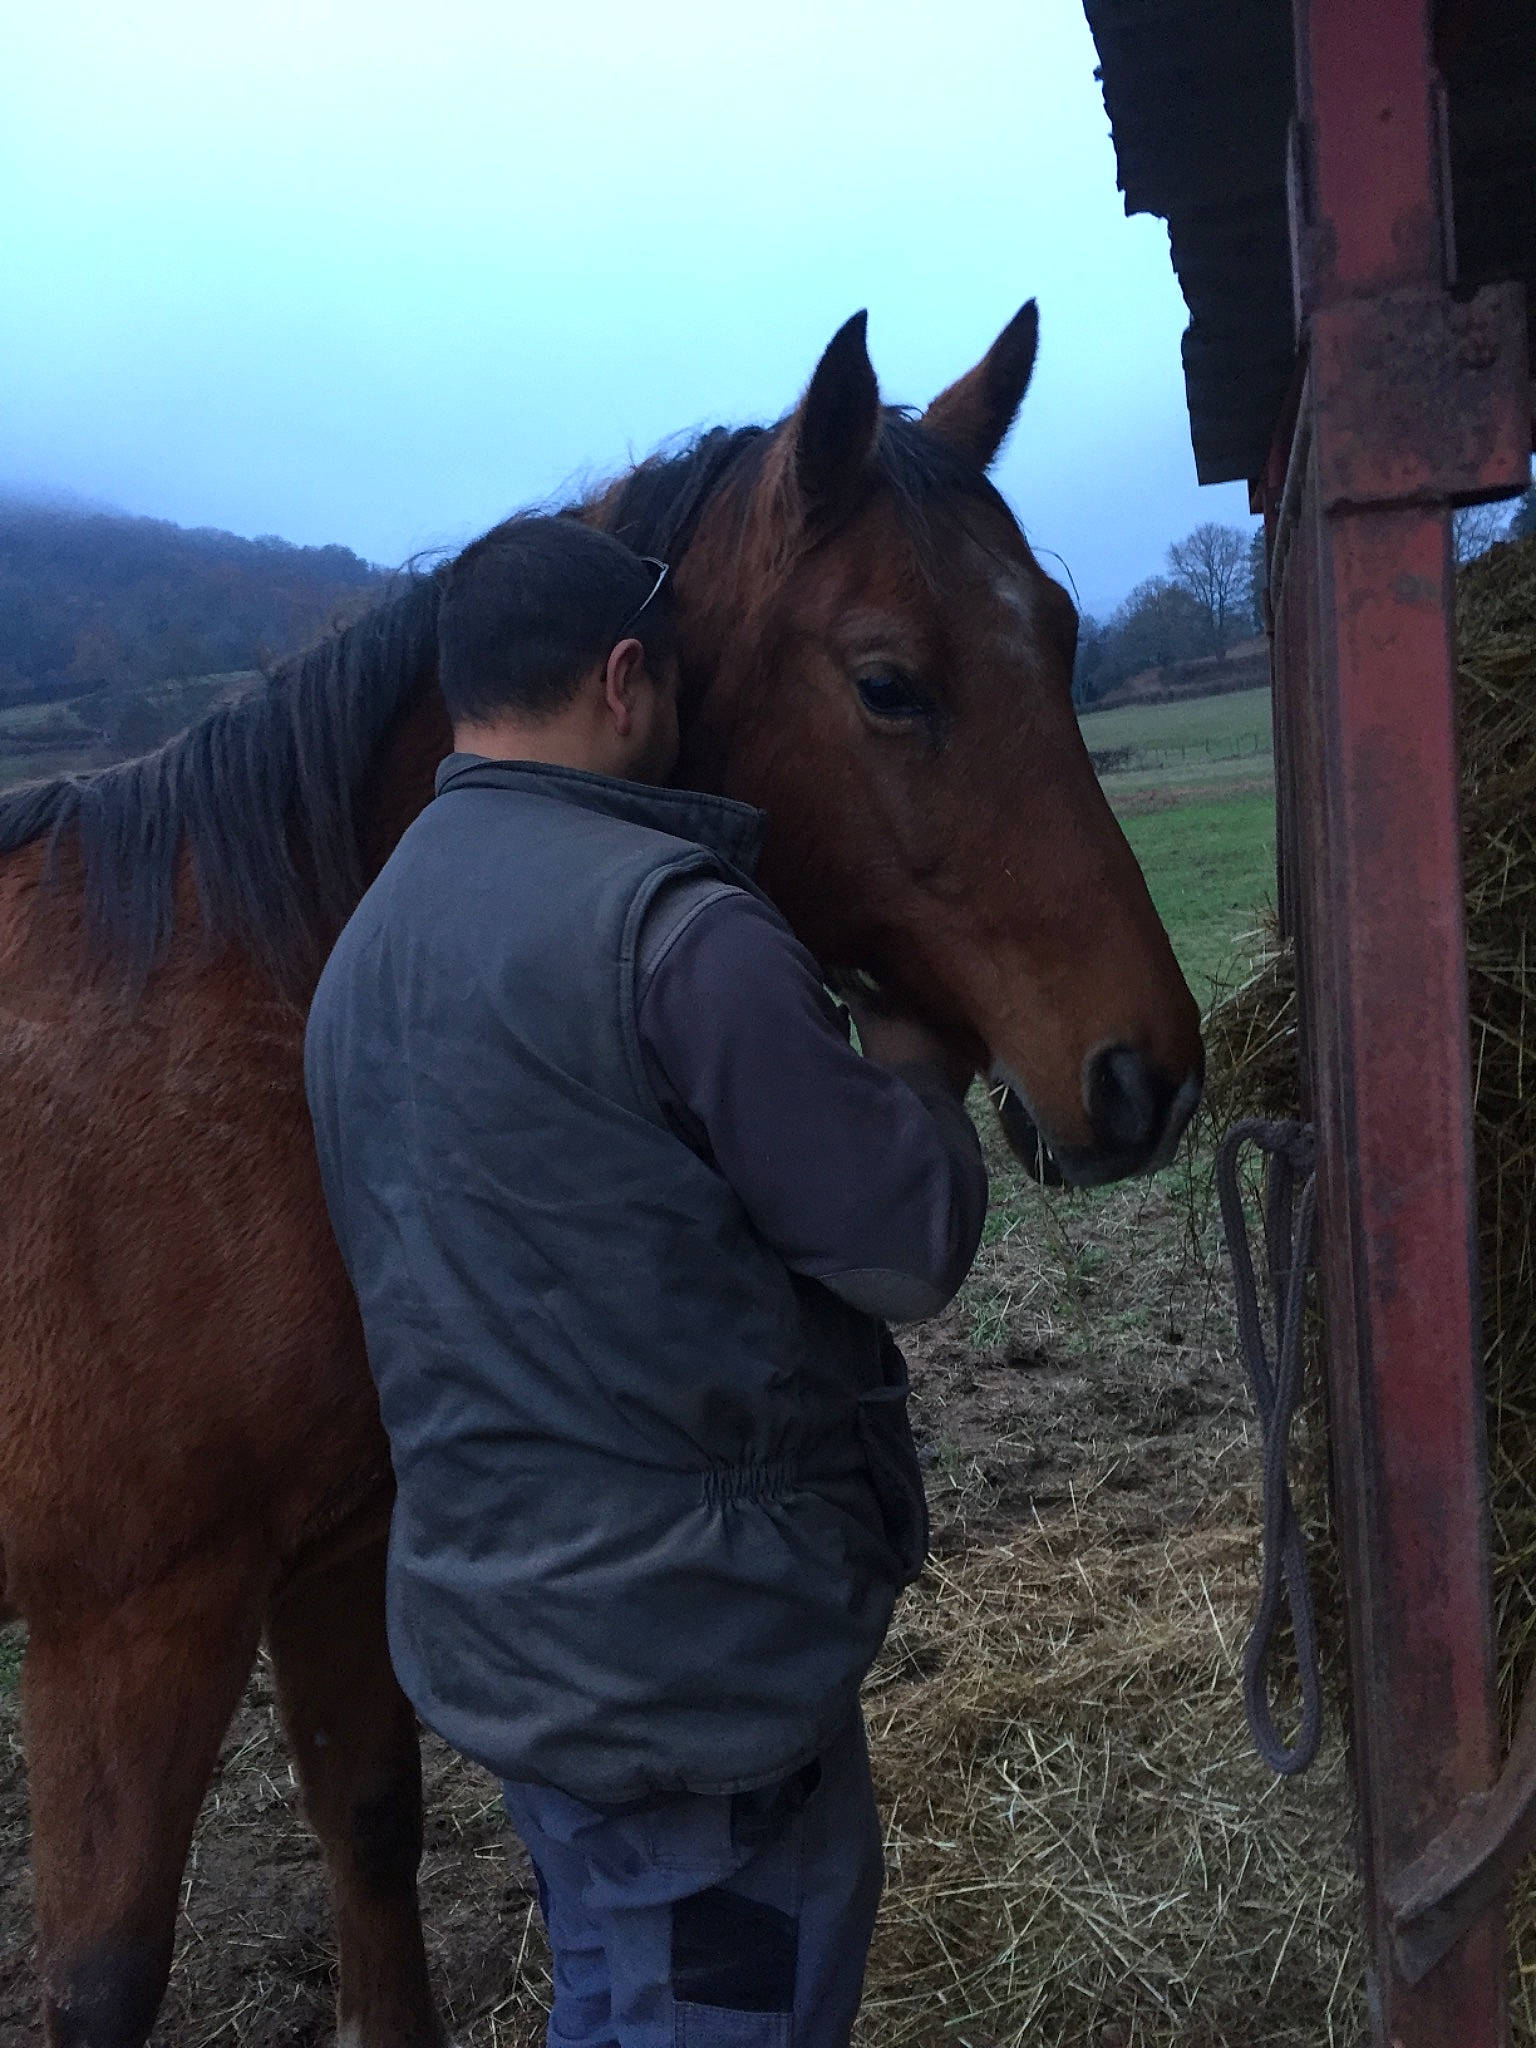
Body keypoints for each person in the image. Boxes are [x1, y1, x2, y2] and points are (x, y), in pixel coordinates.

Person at [304, 515, 988, 2047]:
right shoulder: (676, 932)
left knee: (613, 1992)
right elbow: (902, 1250)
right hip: (696, 1680)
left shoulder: (366, 953)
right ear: (627, 681)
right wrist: (918, 1080)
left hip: (515, 1652)